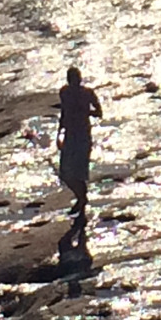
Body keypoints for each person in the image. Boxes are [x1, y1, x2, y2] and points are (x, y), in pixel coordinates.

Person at [56, 64, 104, 220]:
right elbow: (64, 113)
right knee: (65, 173)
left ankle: (81, 202)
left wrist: (85, 111)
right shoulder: (64, 93)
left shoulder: (88, 93)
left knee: (79, 172)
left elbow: (99, 112)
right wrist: (59, 133)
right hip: (70, 135)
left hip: (83, 136)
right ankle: (81, 198)